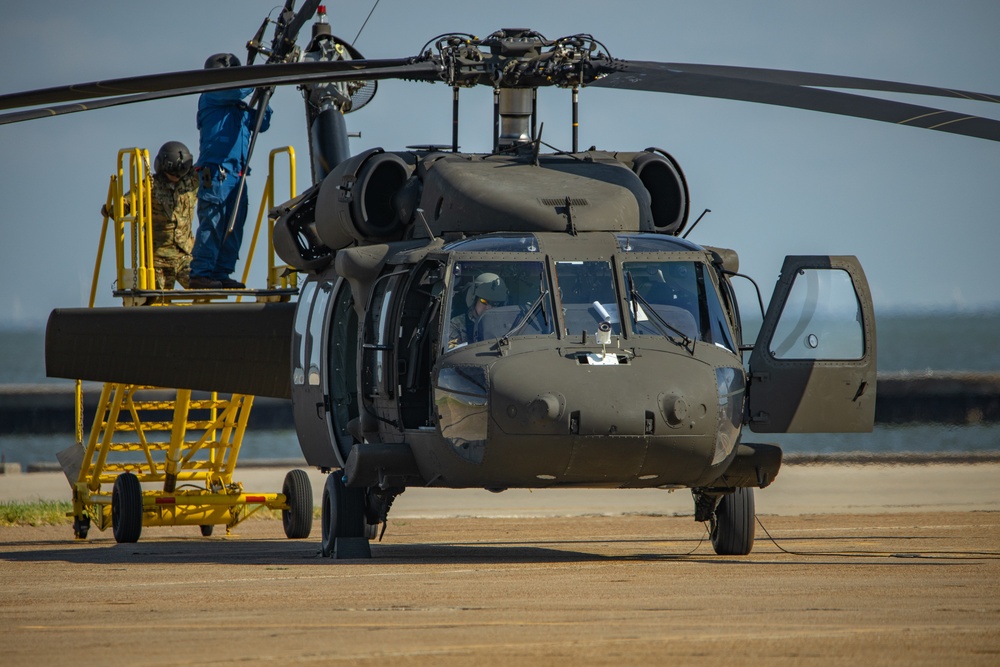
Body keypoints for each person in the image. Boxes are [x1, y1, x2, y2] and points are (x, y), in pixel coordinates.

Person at [189, 52, 272, 289]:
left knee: (234, 225)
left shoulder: (237, 107)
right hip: (216, 173)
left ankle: (220, 272)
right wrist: (259, 78)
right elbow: (236, 90)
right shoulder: (212, 95)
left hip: (237, 175)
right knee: (213, 222)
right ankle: (201, 273)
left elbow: (260, 123)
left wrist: (266, 94)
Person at [101, 141, 197, 290]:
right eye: (173, 173)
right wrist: (112, 209)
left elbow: (210, 168)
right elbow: (128, 202)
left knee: (203, 289)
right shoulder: (149, 186)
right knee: (159, 305)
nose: (176, 177)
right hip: (158, 261)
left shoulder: (191, 183)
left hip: (186, 257)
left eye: (181, 173)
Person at [448, 272, 508, 347]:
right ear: (474, 299)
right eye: (484, 301)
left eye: (495, 304)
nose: (488, 308)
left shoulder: (508, 325)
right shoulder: (457, 325)